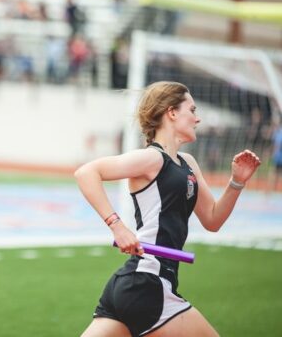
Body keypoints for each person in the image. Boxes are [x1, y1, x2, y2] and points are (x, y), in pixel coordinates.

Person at [74, 81, 261, 337]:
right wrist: (116, 225)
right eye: (192, 110)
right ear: (172, 112)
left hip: (134, 283)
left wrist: (237, 182)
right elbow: (86, 173)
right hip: (148, 282)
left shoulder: (188, 164)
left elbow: (213, 220)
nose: (197, 118)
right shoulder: (152, 158)